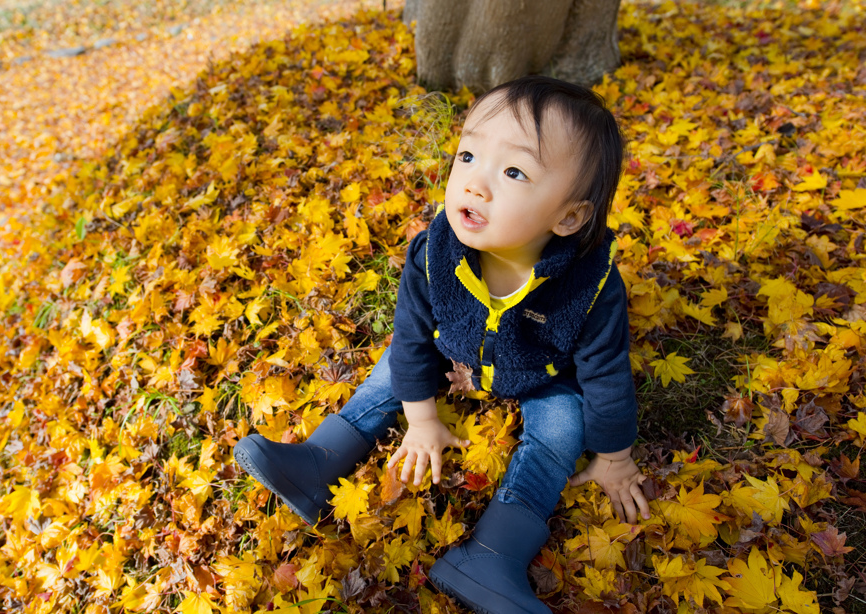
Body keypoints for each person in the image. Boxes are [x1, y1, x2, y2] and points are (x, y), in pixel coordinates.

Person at [233, 75, 650, 614]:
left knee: (562, 428)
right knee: (390, 370)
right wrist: (422, 419)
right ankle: (318, 461)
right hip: (455, 354)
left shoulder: (590, 288)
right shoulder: (435, 253)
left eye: (514, 171)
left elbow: (607, 373)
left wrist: (615, 456)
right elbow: (409, 336)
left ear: (568, 216)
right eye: (468, 156)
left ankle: (493, 555)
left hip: (545, 375)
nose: (475, 184)